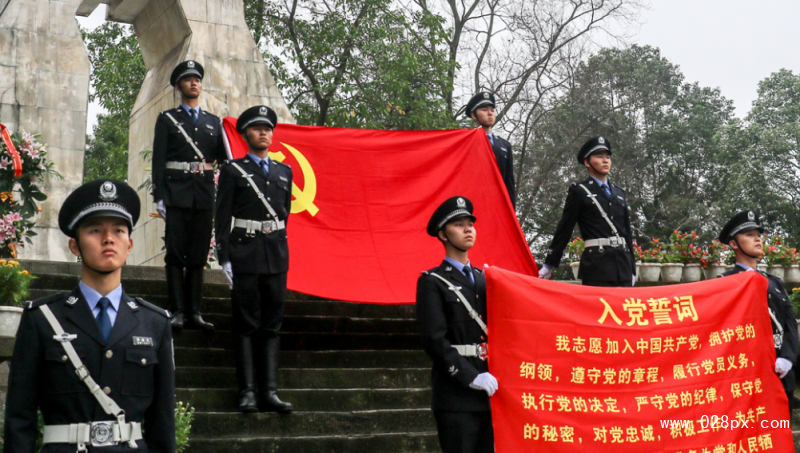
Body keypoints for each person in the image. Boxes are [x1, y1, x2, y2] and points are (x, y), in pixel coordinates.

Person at [4, 179, 175, 453]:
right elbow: (19, 418)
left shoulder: (154, 322)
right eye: (95, 230)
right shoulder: (43, 319)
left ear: (129, 245)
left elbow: (162, 423)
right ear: (75, 246)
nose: (108, 238)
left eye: (118, 230)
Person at [215, 105, 294, 414]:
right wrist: (225, 259)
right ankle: (247, 391)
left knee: (271, 326)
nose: (265, 133)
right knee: (247, 324)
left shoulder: (283, 172)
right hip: (244, 253)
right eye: (258, 128)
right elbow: (222, 218)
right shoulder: (234, 170)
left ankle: (270, 392)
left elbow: (284, 215)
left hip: (275, 254)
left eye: (268, 129)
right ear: (245, 134)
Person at [152, 60, 227, 331]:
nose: (194, 82)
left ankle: (194, 312)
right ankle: (177, 311)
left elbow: (224, 158)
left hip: (204, 194)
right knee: (175, 254)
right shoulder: (168, 119)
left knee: (198, 255)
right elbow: (158, 160)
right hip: (176, 193)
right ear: (178, 86)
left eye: (197, 79)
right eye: (187, 79)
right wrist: (158, 195)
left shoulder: (213, 122)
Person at [416, 196, 496, 453]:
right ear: (442, 234)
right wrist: (470, 376)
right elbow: (434, 339)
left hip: (491, 393)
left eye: (470, 223)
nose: (468, 229)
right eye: (458, 224)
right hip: (455, 396)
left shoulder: (487, 279)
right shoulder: (433, 281)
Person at [718, 210, 798, 418]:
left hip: (781, 371)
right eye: (749, 235)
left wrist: (788, 358)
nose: (757, 239)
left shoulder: (775, 283)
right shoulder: (724, 283)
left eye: (758, 234)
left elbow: (789, 325)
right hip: (748, 375)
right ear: (734, 244)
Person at [538, 136, 635, 287]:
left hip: (622, 266)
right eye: (599, 156)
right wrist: (550, 264)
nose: (605, 161)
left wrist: (632, 267)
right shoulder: (579, 190)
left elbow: (627, 232)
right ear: (587, 162)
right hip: (597, 266)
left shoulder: (619, 192)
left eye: (608, 157)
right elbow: (565, 228)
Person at [465, 92, 516, 208]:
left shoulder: (504, 145)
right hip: (474, 203)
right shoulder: (467, 141)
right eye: (484, 110)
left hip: (498, 205)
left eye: (492, 110)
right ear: (474, 115)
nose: (490, 113)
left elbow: (509, 183)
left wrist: (512, 212)